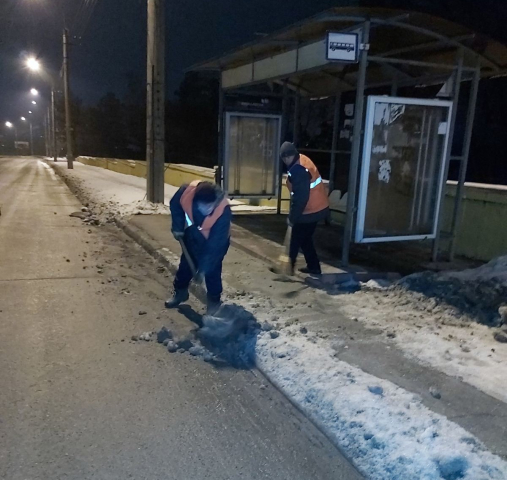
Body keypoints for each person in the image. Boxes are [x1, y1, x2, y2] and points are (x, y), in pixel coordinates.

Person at [165, 180, 231, 315]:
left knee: (212, 270)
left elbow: (214, 247)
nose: (206, 208)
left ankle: (214, 303)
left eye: (209, 205)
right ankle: (180, 292)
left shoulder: (223, 210)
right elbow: (175, 205)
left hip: (217, 241)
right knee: (185, 266)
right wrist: (177, 227)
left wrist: (203, 269)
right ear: (196, 199)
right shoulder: (187, 192)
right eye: (203, 205)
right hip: (193, 235)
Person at [280, 141, 329, 275]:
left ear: (291, 155)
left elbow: (301, 198)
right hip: (316, 206)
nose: (285, 161)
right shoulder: (300, 160)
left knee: (296, 237)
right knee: (305, 238)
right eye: (283, 158)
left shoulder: (299, 170)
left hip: (311, 209)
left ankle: (287, 269)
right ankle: (314, 267)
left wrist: (292, 217)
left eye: (286, 158)